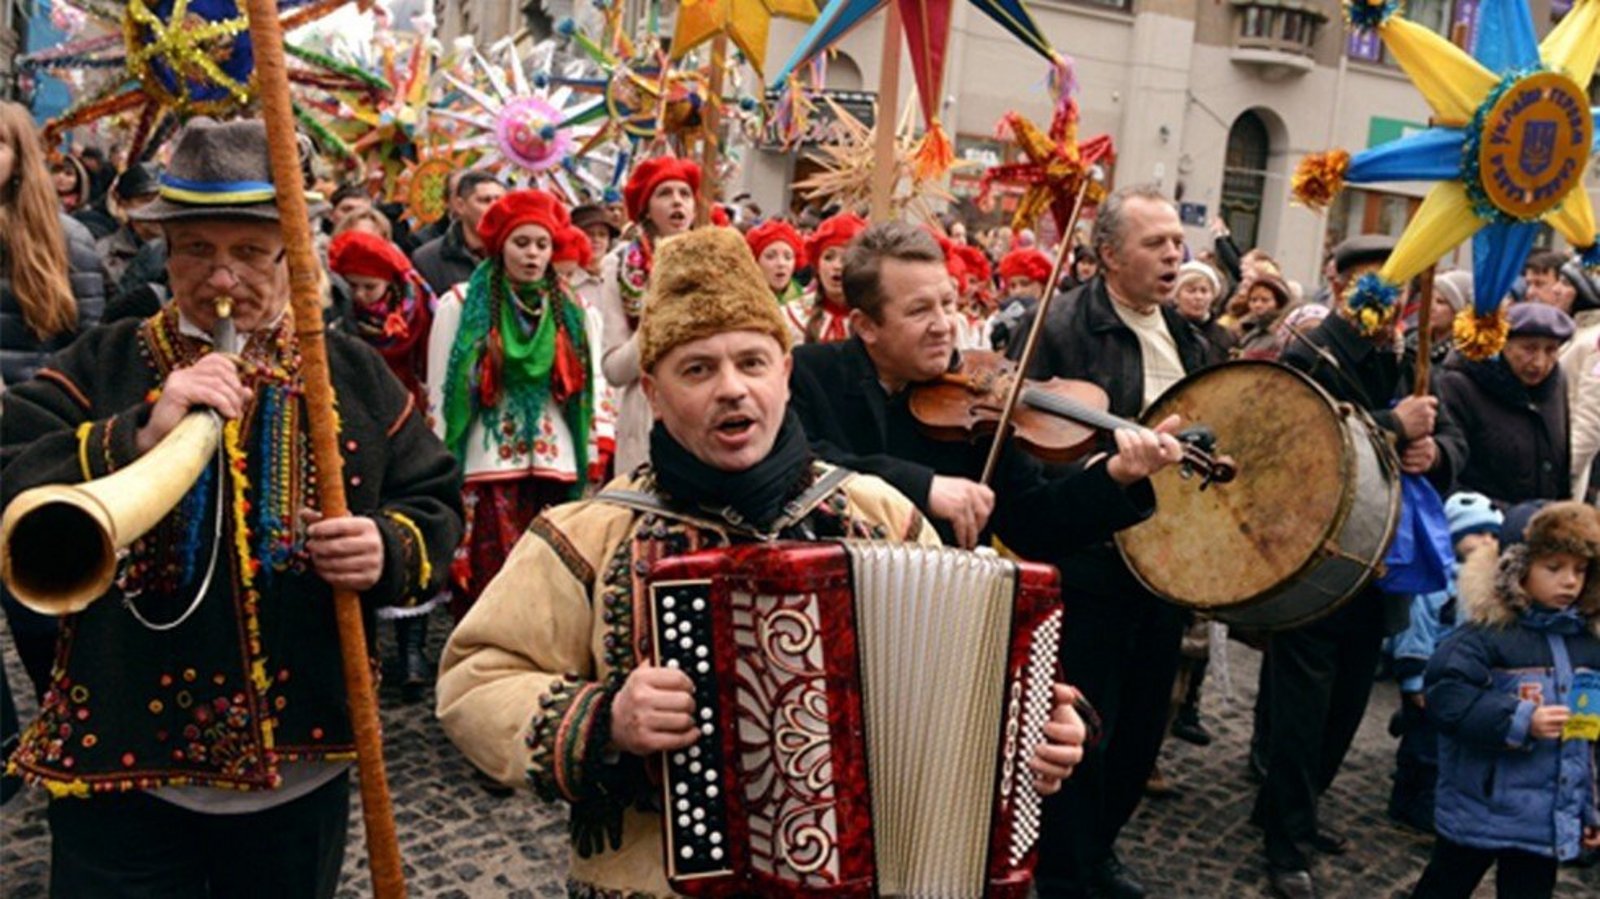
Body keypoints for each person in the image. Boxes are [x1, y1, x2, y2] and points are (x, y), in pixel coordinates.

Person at [435, 225, 1090, 897]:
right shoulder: (589, 533)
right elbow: (475, 680)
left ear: (784, 373)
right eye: (697, 369)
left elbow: (983, 679)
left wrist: (1041, 732)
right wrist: (608, 718)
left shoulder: (879, 515)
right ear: (654, 395)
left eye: (751, 363)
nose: (731, 388)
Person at [0, 116, 462, 898]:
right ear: (165, 252)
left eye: (249, 253)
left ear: (292, 255)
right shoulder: (109, 357)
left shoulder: (347, 373)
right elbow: (10, 468)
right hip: (123, 769)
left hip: (298, 773)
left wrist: (388, 547)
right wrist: (136, 430)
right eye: (197, 251)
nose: (221, 280)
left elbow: (434, 495)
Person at [1011, 185, 1214, 899]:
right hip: (1090, 562)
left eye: (1175, 241)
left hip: (1165, 564)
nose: (1173, 254)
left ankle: (1100, 848)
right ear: (1105, 256)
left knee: (1139, 731)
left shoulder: (1192, 336)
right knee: (1081, 728)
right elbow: (1026, 447)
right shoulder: (1058, 327)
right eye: (1154, 243)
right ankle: (1066, 868)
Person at [1264, 233, 1465, 899]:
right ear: (1341, 283)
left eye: (1397, 284)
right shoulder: (1310, 351)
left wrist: (1433, 452)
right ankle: (1285, 843)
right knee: (1301, 707)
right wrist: (1391, 425)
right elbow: (1295, 443)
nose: (1384, 296)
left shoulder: (1413, 356)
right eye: (1370, 282)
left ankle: (1297, 807)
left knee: (1348, 703)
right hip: (1316, 555)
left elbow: (1453, 435)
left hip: (1382, 561)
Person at [790, 221, 1181, 553]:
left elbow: (1034, 523)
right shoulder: (809, 374)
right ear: (866, 326)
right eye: (919, 310)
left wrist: (1116, 475)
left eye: (948, 303)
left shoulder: (978, 405)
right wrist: (923, 486)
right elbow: (801, 465)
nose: (944, 325)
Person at [426, 188, 609, 623]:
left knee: (552, 573)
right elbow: (440, 390)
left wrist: (592, 457)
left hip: (555, 464)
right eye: (521, 243)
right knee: (492, 578)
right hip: (485, 465)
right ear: (500, 245)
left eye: (542, 244)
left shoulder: (574, 310)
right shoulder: (460, 304)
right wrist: (436, 468)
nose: (532, 255)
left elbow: (591, 387)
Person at [1408, 501, 1600, 899]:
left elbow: (1589, 740)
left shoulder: (1587, 646)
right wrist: (1519, 718)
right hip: (1481, 806)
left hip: (1545, 817)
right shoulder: (1485, 635)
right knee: (1446, 884)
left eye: (1580, 570)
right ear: (1518, 568)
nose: (1569, 582)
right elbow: (1448, 695)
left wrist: (1589, 808)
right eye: (1554, 568)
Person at [0, 101, 109, 700]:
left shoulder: (68, 242)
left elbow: (93, 357)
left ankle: (69, 729)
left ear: (20, 159)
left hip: (34, 456)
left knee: (42, 616)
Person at [327, 228, 441, 702]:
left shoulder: (419, 315)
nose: (360, 297)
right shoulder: (338, 326)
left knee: (407, 533)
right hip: (360, 434)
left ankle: (413, 648)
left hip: (409, 423)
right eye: (351, 286)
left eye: (369, 288)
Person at [1387, 491, 1502, 832]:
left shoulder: (1485, 585)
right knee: (1423, 749)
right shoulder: (1437, 583)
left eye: (1493, 535)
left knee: (1440, 746)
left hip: (1458, 683)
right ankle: (1414, 803)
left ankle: (1415, 797)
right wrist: (1413, 679)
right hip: (1429, 679)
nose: (1487, 541)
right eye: (1477, 533)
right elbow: (1416, 631)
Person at [597, 156, 701, 476]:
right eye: (665, 194)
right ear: (645, 209)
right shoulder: (620, 266)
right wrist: (661, 317)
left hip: (701, 404)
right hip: (644, 415)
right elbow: (615, 369)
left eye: (684, 194)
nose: (677, 202)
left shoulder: (712, 260)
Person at [1437, 302, 1573, 506]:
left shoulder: (1555, 383)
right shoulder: (1459, 387)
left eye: (1551, 350)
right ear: (1501, 344)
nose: (1540, 363)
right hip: (1483, 527)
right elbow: (1448, 476)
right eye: (1529, 349)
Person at [411, 170, 506, 294]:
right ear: (460, 206)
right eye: (485, 200)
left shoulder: (516, 252)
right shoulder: (427, 259)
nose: (494, 207)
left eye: (499, 200)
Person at [784, 211, 866, 343]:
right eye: (829, 257)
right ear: (818, 266)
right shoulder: (791, 316)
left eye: (846, 258)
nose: (837, 266)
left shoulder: (874, 316)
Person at [95, 163, 164, 284]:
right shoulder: (103, 255)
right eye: (146, 200)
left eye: (163, 199)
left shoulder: (185, 249)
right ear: (123, 203)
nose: (156, 208)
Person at [989, 246, 1053, 353]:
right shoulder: (1002, 316)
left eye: (1025, 284)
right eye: (1012, 286)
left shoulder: (1055, 315)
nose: (1018, 291)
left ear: (1042, 286)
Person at [1171, 259, 1234, 362]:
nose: (1198, 297)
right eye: (1191, 291)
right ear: (1177, 296)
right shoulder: (1166, 330)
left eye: (1204, 291)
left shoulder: (1225, 337)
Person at [745, 217, 805, 305]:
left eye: (788, 257)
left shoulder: (806, 300)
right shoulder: (741, 301)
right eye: (770, 257)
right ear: (755, 262)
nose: (781, 263)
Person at [1234, 272, 1293, 359]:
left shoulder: (1283, 331)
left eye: (1265, 300)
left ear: (1279, 303)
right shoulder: (1245, 328)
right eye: (1253, 300)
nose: (1258, 305)